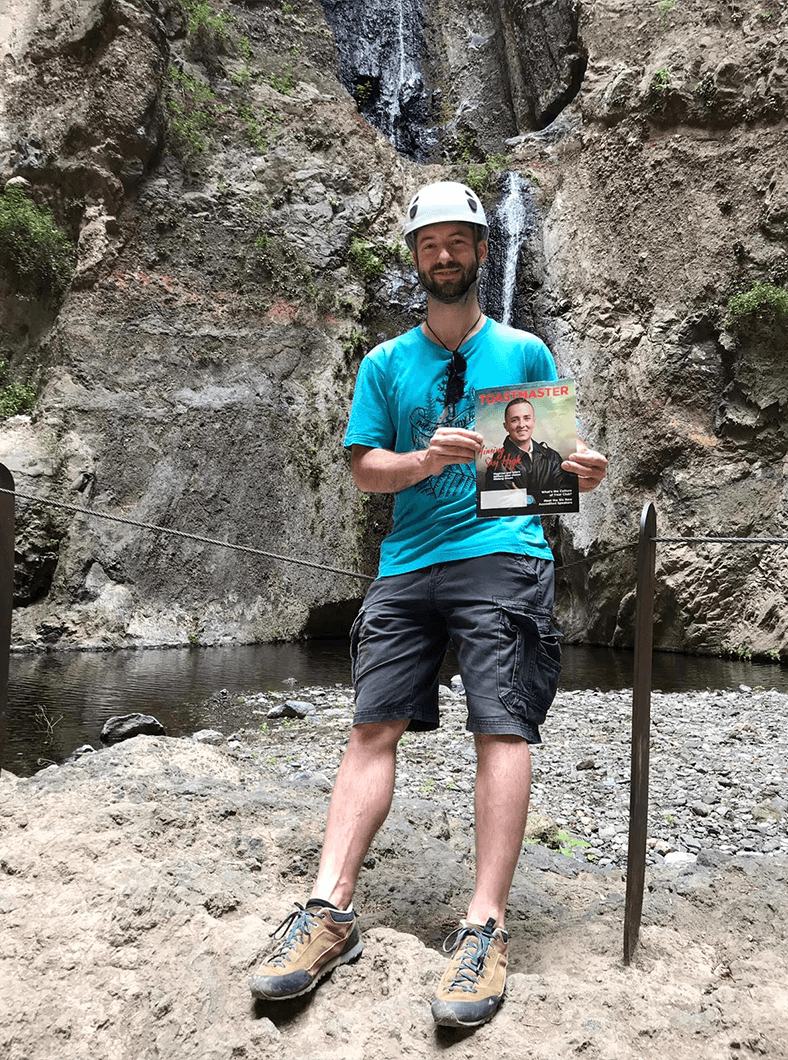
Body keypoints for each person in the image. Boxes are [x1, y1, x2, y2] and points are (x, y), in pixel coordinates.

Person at [249, 181, 607, 1027]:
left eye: (458, 242)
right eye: (428, 244)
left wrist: (580, 467)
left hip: (505, 554)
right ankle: (329, 910)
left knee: (501, 725)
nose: (443, 256)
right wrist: (420, 462)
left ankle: (485, 926)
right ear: (415, 257)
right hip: (407, 562)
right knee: (370, 725)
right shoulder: (383, 363)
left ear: (484, 252)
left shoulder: (523, 350)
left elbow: (550, 461)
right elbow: (363, 466)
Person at [484, 397, 575, 493]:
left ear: (533, 422)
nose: (522, 425)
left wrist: (525, 498)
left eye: (527, 418)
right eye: (514, 420)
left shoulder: (552, 457)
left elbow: (563, 497)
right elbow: (503, 503)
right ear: (506, 426)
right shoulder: (498, 463)